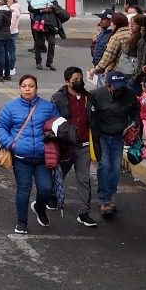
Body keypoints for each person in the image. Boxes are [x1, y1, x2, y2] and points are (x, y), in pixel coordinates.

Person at [0, 75, 59, 234]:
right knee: (24, 190)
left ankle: (39, 207)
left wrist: (54, 138)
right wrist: (11, 144)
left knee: (46, 188)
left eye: (31, 86)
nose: (27, 89)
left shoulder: (47, 107)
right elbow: (0, 128)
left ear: (36, 88)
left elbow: (58, 125)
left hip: (42, 158)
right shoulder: (10, 107)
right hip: (21, 158)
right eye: (24, 86)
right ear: (20, 88)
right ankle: (22, 222)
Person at [50, 67, 98, 228]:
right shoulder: (57, 98)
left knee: (84, 180)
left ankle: (83, 213)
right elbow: (52, 121)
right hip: (65, 145)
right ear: (67, 82)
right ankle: (52, 197)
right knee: (58, 176)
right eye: (75, 79)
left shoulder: (89, 98)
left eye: (80, 79)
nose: (79, 82)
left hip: (83, 146)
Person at [88, 71, 138, 218]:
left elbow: (135, 112)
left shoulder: (129, 95)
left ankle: (109, 196)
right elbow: (89, 115)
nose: (118, 90)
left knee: (115, 168)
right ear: (107, 85)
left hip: (118, 135)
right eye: (115, 87)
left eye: (121, 87)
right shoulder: (96, 95)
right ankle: (104, 199)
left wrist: (134, 124)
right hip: (101, 135)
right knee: (104, 165)